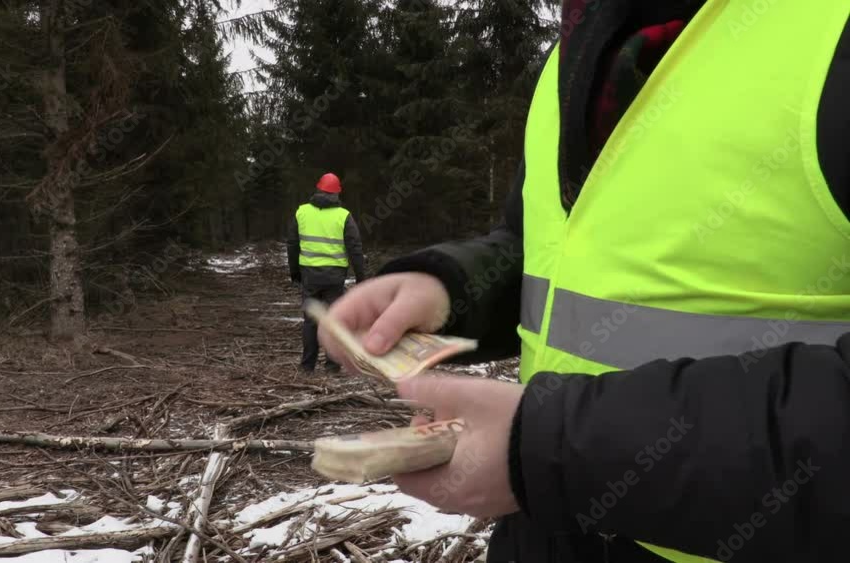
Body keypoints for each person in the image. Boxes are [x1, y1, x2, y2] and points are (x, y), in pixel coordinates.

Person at [320, 1, 850, 562]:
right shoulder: (575, 50)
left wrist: (552, 450)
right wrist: (448, 288)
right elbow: (554, 247)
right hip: (545, 529)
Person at [287, 172, 366, 373]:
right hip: (334, 278)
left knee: (310, 321)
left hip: (310, 276)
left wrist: (295, 272)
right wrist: (360, 277)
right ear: (337, 193)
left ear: (318, 189)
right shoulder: (343, 216)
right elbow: (355, 248)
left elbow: (292, 244)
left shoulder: (301, 212)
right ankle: (332, 367)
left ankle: (307, 367)